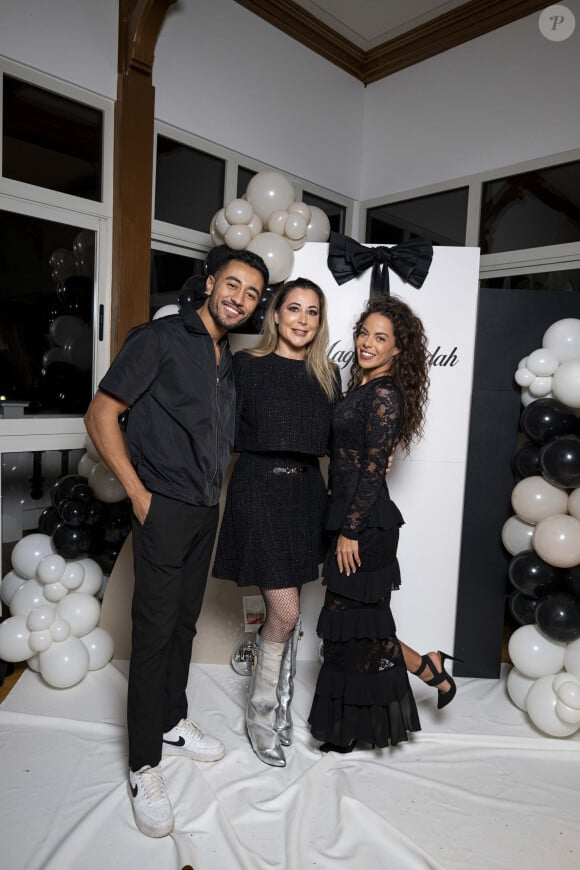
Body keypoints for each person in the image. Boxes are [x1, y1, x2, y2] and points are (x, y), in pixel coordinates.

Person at [84, 248, 268, 838]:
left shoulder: (226, 360)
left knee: (184, 623)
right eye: (232, 284)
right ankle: (143, 764)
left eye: (251, 293)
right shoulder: (161, 339)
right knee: (156, 630)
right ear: (210, 282)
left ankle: (171, 720)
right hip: (161, 508)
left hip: (203, 512)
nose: (239, 298)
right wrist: (139, 495)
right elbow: (102, 413)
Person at [309, 294, 460, 753]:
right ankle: (427, 667)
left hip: (366, 524)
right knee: (360, 627)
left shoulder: (385, 393)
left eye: (380, 338)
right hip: (349, 514)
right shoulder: (361, 388)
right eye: (363, 333)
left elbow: (373, 469)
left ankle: (359, 722)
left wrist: (351, 531)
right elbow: (358, 454)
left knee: (350, 625)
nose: (367, 343)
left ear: (398, 349)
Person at [213, 278, 340, 767]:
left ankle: (283, 710)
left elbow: (339, 442)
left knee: (292, 611)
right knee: (285, 613)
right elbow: (217, 429)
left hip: (308, 495)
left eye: (312, 311)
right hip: (259, 491)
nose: (303, 319)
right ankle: (261, 716)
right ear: (277, 315)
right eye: (294, 308)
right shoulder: (245, 366)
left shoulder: (329, 374)